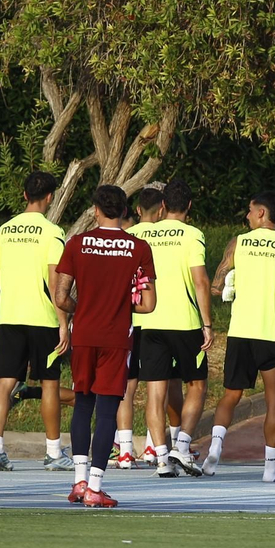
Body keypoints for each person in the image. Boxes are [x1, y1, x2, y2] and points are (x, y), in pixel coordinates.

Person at [51, 184, 157, 508]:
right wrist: (121, 305)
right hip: (116, 338)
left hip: (83, 334)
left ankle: (79, 482)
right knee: (108, 409)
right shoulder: (138, 247)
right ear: (125, 211)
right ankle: (96, 486)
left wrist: (79, 308)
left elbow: (60, 295)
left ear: (96, 210)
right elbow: (149, 304)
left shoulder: (77, 243)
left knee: (82, 405)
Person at [203, 191, 275, 481]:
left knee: (230, 396)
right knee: (274, 402)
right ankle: (270, 469)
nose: (247, 216)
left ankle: (214, 449)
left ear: (262, 213)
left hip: (241, 332)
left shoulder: (238, 242)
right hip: (272, 333)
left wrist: (230, 286)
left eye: (250, 211)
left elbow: (216, 287)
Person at [0, 171, 74, 473]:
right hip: (42, 318)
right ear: (50, 197)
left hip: (10, 316)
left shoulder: (3, 231)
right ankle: (53, 452)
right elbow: (55, 282)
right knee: (49, 383)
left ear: (24, 195)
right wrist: (63, 322)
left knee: (5, 382)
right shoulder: (53, 232)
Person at [136, 178, 213, 478]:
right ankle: (182, 445)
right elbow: (201, 281)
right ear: (190, 206)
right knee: (197, 384)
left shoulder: (146, 236)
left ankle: (160, 459)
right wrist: (207, 324)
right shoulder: (193, 235)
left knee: (155, 392)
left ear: (163, 205)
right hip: (185, 322)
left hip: (150, 321)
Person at [110, 186, 163, 469]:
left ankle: (126, 451)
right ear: (163, 209)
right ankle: (154, 448)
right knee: (158, 388)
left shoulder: (128, 239)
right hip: (161, 322)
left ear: (138, 210)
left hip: (130, 321)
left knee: (126, 389)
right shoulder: (173, 237)